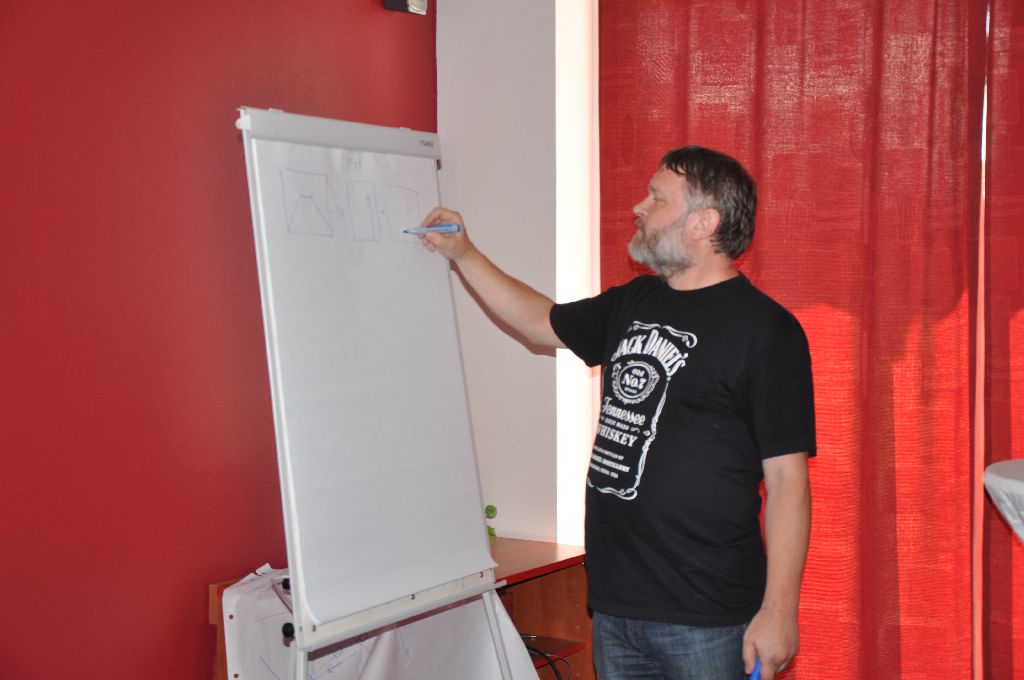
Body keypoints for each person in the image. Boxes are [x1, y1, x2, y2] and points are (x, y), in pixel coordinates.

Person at [417, 145, 815, 680]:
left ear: (704, 223)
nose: (638, 207)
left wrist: (780, 611)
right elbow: (538, 322)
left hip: (709, 617)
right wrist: (464, 254)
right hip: (616, 608)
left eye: (657, 198)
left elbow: (788, 482)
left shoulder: (768, 332)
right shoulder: (634, 301)